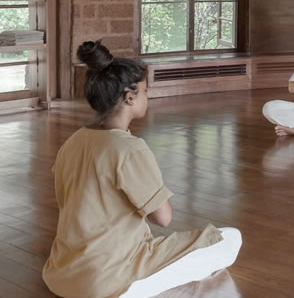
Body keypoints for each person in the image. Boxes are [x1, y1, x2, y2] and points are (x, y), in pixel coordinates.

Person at [43, 41, 241, 298]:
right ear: (129, 97)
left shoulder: (72, 142)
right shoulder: (129, 148)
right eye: (146, 91)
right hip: (105, 279)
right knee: (230, 238)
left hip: (61, 274)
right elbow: (163, 218)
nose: (148, 96)